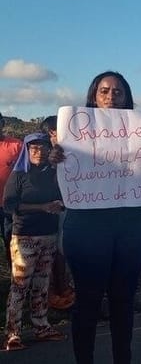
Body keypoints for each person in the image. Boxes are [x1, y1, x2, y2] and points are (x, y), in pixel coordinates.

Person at [49, 71, 141, 364]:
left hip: (130, 227)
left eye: (118, 92)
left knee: (123, 303)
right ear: (94, 96)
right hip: (87, 229)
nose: (111, 97)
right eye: (104, 91)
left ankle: (123, 359)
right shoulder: (73, 137)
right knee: (88, 302)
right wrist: (55, 160)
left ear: (127, 98)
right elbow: (64, 183)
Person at [3, 133, 66, 351]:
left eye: (44, 148)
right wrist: (42, 207)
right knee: (20, 285)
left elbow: (65, 196)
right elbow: (9, 205)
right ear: (27, 151)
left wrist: (57, 205)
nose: (39, 152)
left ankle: (41, 326)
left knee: (41, 284)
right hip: (25, 236)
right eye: (34, 149)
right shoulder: (18, 175)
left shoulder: (53, 174)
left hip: (48, 235)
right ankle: (12, 333)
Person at [40, 116, 75, 310]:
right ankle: (58, 289)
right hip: (53, 209)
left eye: (58, 130)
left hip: (74, 206)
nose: (55, 135)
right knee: (56, 251)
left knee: (67, 249)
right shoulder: (42, 153)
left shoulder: (74, 148)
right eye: (52, 132)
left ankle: (67, 287)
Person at [0, 112, 22, 266]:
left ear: (2, 123)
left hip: (9, 206)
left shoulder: (17, 146)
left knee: (12, 244)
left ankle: (16, 280)